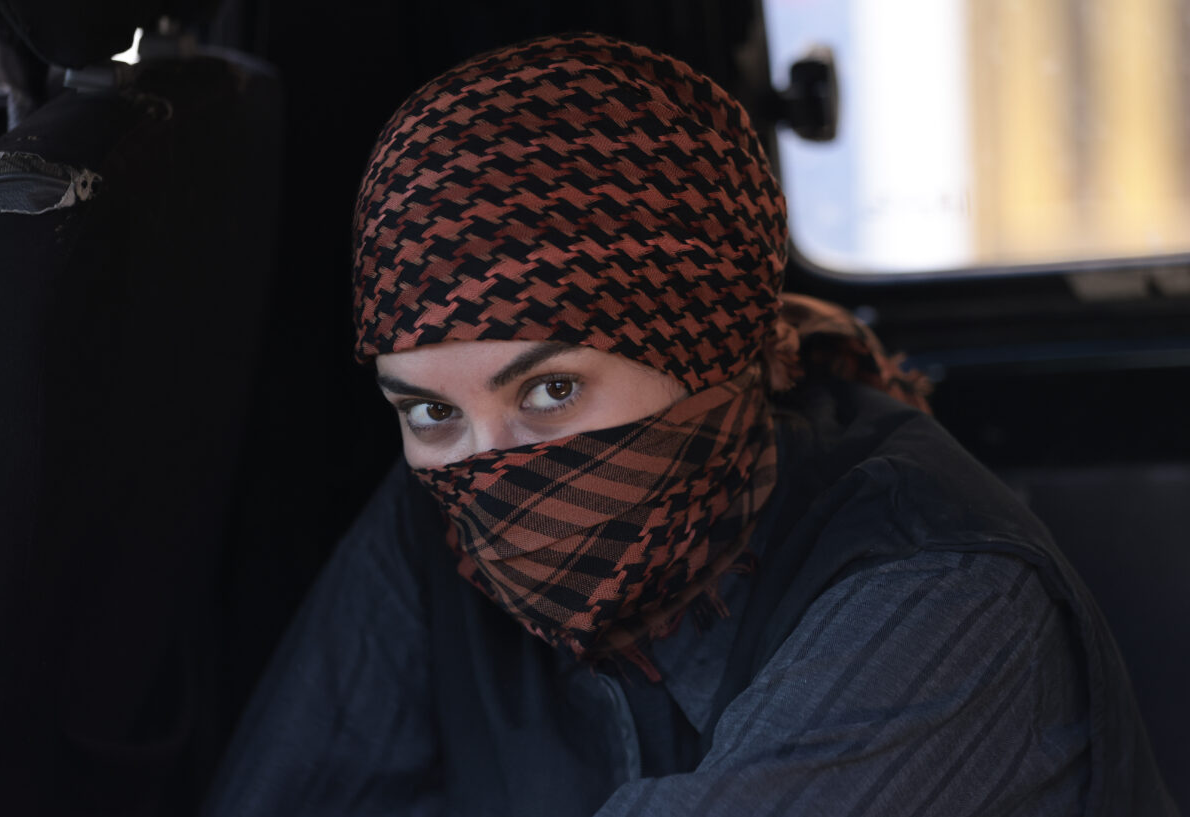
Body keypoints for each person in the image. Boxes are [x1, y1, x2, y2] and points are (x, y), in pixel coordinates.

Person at [202, 33, 1177, 816]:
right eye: (430, 411)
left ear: (706, 350)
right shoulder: (435, 525)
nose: (493, 471)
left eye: (551, 390)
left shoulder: (942, 595)